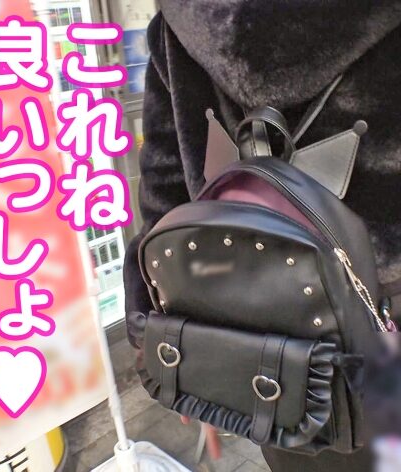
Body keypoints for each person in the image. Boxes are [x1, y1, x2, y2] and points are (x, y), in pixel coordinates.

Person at [123, 2, 401, 470]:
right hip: (381, 312)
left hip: (246, 321)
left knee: (294, 444)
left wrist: (174, 333)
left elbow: (163, 185)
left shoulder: (182, 18)